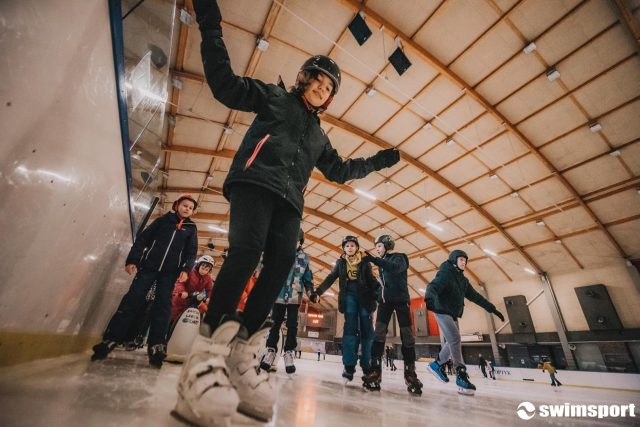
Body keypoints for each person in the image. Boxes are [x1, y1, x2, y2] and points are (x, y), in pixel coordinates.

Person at [175, 1, 401, 424]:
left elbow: (340, 170)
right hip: (254, 183)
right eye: (318, 81)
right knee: (246, 253)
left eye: (329, 88)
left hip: (290, 201)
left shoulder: (319, 137)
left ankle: (240, 358)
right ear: (304, 80)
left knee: (280, 267)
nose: (323, 89)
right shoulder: (274, 98)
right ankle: (203, 357)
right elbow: (225, 85)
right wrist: (209, 20)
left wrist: (379, 161)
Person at [92, 194, 198, 368]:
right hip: (148, 268)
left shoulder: (191, 229)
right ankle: (111, 338)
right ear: (177, 205)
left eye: (191, 208)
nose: (187, 209)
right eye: (185, 205)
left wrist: (186, 269)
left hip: (169, 274)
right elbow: (143, 239)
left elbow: (191, 252)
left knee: (163, 306)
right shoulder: (163, 221)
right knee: (132, 300)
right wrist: (133, 259)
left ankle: (157, 345)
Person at [425, 250, 504, 395]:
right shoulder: (446, 274)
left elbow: (476, 297)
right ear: (454, 260)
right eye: (461, 259)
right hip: (441, 309)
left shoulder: (463, 281)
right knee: (455, 339)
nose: (464, 262)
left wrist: (492, 308)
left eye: (465, 260)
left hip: (452, 313)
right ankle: (461, 374)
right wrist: (429, 299)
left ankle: (436, 364)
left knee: (453, 341)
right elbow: (432, 286)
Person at [310, 236, 380, 385]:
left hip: (365, 296)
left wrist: (380, 294)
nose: (350, 248)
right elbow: (330, 278)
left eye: (352, 245)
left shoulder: (365, 262)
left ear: (357, 247)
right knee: (350, 329)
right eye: (347, 246)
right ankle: (349, 366)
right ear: (344, 248)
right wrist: (318, 292)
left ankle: (367, 365)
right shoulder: (341, 263)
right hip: (349, 295)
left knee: (367, 330)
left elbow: (372, 280)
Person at [361, 235, 421, 394]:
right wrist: (378, 295)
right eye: (376, 247)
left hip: (401, 301)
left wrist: (374, 260)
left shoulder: (400, 258)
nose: (377, 249)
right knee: (378, 334)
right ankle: (375, 371)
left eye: (379, 246)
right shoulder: (381, 264)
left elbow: (395, 268)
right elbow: (382, 283)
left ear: (387, 245)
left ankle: (410, 373)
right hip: (385, 302)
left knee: (407, 336)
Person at [260, 230, 314, 374]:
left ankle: (289, 352)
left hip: (294, 297)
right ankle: (271, 350)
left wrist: (311, 293)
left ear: (300, 242)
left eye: (295, 241)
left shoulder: (304, 258)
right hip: (278, 295)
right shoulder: (278, 254)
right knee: (274, 324)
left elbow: (308, 279)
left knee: (292, 325)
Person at [168, 255, 215, 339]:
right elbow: (180, 283)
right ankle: (167, 338)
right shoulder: (190, 272)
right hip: (181, 299)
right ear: (198, 265)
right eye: (202, 268)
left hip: (193, 302)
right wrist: (182, 292)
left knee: (189, 320)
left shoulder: (208, 278)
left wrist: (209, 297)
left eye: (207, 270)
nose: (204, 271)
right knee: (173, 319)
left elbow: (209, 289)